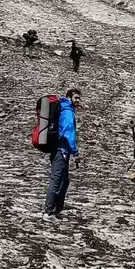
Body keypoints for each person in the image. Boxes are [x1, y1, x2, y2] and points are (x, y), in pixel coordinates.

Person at [45, 88, 81, 218]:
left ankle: (57, 209)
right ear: (70, 97)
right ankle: (49, 212)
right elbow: (68, 134)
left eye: (79, 98)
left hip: (60, 150)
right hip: (62, 151)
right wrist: (75, 152)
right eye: (76, 98)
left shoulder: (64, 110)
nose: (78, 101)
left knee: (64, 181)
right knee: (56, 180)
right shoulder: (67, 113)